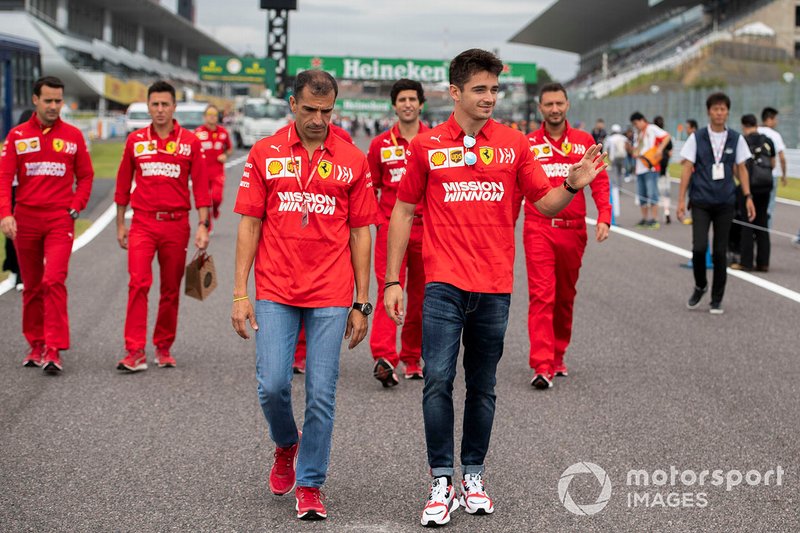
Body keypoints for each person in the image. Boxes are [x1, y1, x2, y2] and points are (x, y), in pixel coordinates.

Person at [383, 49, 606, 527]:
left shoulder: (514, 144)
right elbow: (402, 211)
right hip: (442, 283)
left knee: (482, 388)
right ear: (455, 92)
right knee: (438, 380)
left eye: (494, 89)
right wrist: (392, 279)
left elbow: (545, 204)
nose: (490, 97)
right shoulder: (425, 146)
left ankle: (474, 475)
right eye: (480, 89)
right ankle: (441, 479)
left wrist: (570, 181)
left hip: (494, 286)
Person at [231, 70, 377, 521]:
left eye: (327, 111)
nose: (318, 119)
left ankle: (311, 483)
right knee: (273, 384)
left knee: (320, 393)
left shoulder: (352, 159)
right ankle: (285, 444)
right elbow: (250, 224)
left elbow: (360, 233)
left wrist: (361, 301)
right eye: (310, 109)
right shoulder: (265, 152)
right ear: (292, 104)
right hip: (276, 287)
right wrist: (239, 292)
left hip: (331, 293)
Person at [114, 80, 211, 371]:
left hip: (176, 224)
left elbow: (202, 189)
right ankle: (134, 351)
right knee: (138, 283)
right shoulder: (135, 141)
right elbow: (121, 185)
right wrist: (121, 224)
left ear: (174, 107)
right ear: (148, 106)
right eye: (154, 104)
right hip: (142, 222)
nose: (160, 110)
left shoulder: (190, 142)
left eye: (165, 104)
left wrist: (203, 225)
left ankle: (163, 346)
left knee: (170, 289)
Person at [0, 76, 94, 373]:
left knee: (53, 281)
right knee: (31, 286)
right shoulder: (16, 136)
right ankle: (35, 343)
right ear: (35, 100)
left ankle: (53, 348)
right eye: (49, 100)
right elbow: (3, 178)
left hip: (59, 220)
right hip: (25, 219)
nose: (54, 106)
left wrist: (75, 207)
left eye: (58, 100)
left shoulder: (74, 136)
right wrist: (5, 213)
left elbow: (86, 176)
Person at [524, 83, 611, 389]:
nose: (554, 109)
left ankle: (558, 353)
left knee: (564, 297)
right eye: (548, 104)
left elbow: (600, 181)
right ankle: (542, 364)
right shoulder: (529, 144)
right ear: (540, 108)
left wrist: (604, 216)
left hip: (573, 231)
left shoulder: (584, 141)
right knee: (541, 295)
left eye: (559, 103)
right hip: (538, 228)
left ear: (567, 104)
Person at [366, 78, 428, 386]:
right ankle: (385, 356)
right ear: (394, 105)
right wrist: (379, 221)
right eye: (401, 99)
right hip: (390, 230)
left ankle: (412, 356)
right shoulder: (379, 145)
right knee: (388, 288)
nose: (407, 104)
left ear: (420, 104)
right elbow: (370, 189)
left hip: (427, 230)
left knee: (421, 296)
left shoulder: (436, 141)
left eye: (412, 99)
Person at [677, 92, 755, 314]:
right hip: (701, 200)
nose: (719, 113)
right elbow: (686, 168)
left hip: (725, 202)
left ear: (727, 112)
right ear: (709, 111)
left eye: (723, 109)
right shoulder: (697, 137)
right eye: (715, 109)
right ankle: (700, 285)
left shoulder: (736, 139)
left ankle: (717, 298)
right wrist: (681, 199)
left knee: (721, 252)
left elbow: (742, 168)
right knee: (699, 247)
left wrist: (748, 197)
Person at [733, 114, 775, 272]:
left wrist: (742, 184)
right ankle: (763, 263)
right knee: (762, 222)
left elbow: (738, 166)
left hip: (749, 187)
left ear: (744, 125)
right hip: (765, 186)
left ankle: (746, 262)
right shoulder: (767, 140)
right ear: (756, 124)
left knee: (746, 223)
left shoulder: (742, 141)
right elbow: (772, 163)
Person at [2, 109, 35, 292]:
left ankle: (23, 273)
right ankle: (14, 270)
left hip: (29, 192)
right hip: (14, 192)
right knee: (12, 234)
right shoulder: (16, 140)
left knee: (29, 237)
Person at [194, 104, 233, 232]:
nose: (212, 117)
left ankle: (215, 209)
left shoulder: (223, 132)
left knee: (216, 198)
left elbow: (230, 149)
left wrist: (225, 155)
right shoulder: (198, 133)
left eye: (214, 115)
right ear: (205, 117)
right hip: (202, 173)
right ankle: (207, 225)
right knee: (205, 201)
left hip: (217, 172)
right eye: (209, 115)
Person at [630, 111, 671, 228]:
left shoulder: (652, 128)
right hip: (640, 167)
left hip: (651, 167)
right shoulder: (637, 133)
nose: (636, 126)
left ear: (642, 120)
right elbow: (636, 149)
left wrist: (660, 149)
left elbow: (667, 136)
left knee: (652, 193)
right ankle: (644, 218)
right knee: (642, 194)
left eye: (636, 123)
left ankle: (654, 219)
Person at [757, 107, 788, 229]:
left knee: (754, 203)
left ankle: (752, 231)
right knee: (768, 205)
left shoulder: (755, 131)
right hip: (770, 175)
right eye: (775, 119)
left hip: (753, 175)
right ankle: (764, 232)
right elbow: (782, 158)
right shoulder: (775, 135)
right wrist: (784, 175)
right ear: (769, 119)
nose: (776, 122)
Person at [605, 123, 629, 219]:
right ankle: (619, 187)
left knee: (614, 173)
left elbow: (606, 148)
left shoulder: (610, 138)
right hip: (622, 157)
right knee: (620, 173)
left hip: (614, 158)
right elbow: (627, 146)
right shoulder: (623, 138)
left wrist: (608, 157)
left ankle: (614, 188)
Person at [653, 116, 673, 224]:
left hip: (655, 168)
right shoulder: (666, 136)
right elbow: (670, 152)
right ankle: (666, 212)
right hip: (665, 168)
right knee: (666, 193)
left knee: (655, 193)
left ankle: (654, 217)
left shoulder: (652, 136)